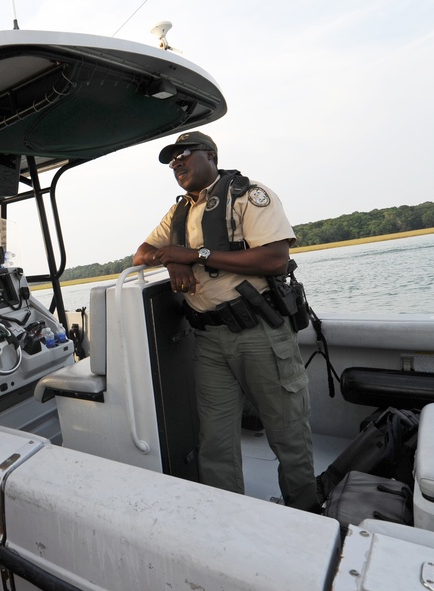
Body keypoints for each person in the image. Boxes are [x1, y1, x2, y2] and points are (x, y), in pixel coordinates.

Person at [133, 131, 319, 512]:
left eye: (184, 154)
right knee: (215, 442)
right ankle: (228, 522)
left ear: (211, 155)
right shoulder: (180, 211)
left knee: (287, 433)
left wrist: (194, 254)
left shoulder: (248, 195)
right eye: (171, 160)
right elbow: (141, 253)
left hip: (259, 336)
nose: (177, 164)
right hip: (209, 340)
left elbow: (274, 259)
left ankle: (307, 515)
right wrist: (172, 260)